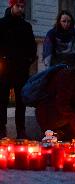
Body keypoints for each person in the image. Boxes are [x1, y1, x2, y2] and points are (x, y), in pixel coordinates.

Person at [0, 0, 37, 139]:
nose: (21, 9)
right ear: (11, 5)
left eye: (22, 7)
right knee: (2, 100)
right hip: (4, 69)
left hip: (21, 69)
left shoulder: (26, 26)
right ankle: (1, 130)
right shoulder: (2, 24)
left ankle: (21, 130)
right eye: (18, 6)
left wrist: (27, 61)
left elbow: (32, 47)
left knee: (21, 102)